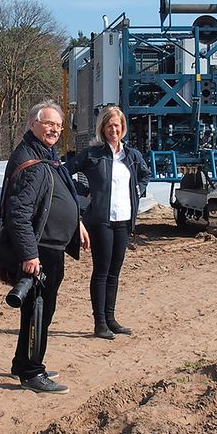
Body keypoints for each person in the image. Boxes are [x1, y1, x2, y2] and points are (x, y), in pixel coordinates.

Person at [1, 100, 89, 394]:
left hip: (51, 247)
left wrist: (76, 221)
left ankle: (22, 362)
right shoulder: (30, 162)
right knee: (37, 311)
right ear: (32, 125)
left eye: (58, 125)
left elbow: (57, 195)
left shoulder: (45, 156)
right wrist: (29, 254)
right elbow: (18, 213)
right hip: (40, 250)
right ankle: (32, 371)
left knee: (41, 310)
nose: (54, 129)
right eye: (48, 123)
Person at [67, 105, 150, 339]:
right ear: (102, 128)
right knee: (101, 271)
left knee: (115, 272)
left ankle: (111, 319)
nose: (114, 129)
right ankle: (99, 322)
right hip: (100, 220)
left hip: (123, 220)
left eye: (117, 125)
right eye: (109, 125)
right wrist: (84, 191)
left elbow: (145, 175)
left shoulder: (131, 155)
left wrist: (138, 190)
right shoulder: (93, 154)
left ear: (123, 128)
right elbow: (65, 172)